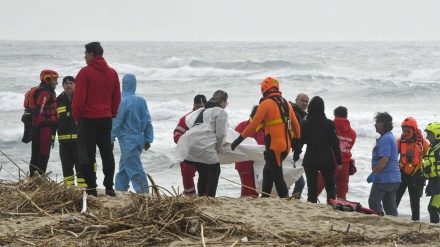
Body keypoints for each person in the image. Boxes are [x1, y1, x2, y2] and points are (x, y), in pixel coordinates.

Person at [231, 77, 301, 198]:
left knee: (277, 176)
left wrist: (238, 140)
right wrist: (297, 144)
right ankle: (265, 198)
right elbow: (296, 126)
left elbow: (253, 125)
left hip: (275, 146)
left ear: (264, 89)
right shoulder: (286, 104)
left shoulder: (265, 104)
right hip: (286, 146)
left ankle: (285, 200)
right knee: (267, 172)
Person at [72, 42, 121, 197]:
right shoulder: (112, 73)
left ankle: (91, 187)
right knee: (107, 152)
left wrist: (76, 117)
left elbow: (79, 100)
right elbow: (116, 97)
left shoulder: (85, 72)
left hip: (88, 118)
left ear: (92, 54)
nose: (84, 56)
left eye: (85, 53)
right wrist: (112, 113)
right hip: (106, 118)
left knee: (87, 154)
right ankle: (109, 187)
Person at [111, 74, 153, 194]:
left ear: (123, 84)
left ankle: (144, 193)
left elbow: (117, 122)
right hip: (139, 138)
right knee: (125, 166)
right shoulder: (141, 100)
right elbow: (148, 120)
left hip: (127, 139)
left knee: (134, 168)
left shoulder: (122, 101)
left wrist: (110, 139)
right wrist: (148, 138)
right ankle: (120, 189)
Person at [295, 96, 342, 203]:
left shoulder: (305, 123)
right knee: (330, 186)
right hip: (326, 158)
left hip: (310, 157)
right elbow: (335, 144)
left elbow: (300, 143)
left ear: (310, 108)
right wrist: (339, 161)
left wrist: (296, 156)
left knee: (312, 188)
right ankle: (331, 205)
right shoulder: (329, 124)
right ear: (322, 108)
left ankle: (311, 204)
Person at [184, 90, 229, 197]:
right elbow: (221, 134)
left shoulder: (202, 111)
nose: (225, 106)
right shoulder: (220, 112)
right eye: (226, 103)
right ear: (222, 101)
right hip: (205, 145)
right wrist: (217, 148)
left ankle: (201, 196)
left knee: (203, 172)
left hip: (192, 144)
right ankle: (210, 197)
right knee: (215, 170)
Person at [317, 106, 356, 200]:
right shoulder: (353, 133)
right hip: (345, 166)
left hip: (329, 163)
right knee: (341, 197)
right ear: (346, 116)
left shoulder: (329, 127)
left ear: (335, 115)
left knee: (315, 190)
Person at [367, 112, 401, 216]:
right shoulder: (389, 137)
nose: (375, 124)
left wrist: (374, 174)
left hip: (384, 179)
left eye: (378, 122)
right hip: (394, 179)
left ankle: (379, 220)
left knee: (373, 201)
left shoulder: (386, 139)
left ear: (385, 124)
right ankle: (394, 223)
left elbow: (384, 159)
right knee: (390, 206)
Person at [395, 117, 429, 221]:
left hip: (416, 176)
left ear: (414, 130)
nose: (405, 133)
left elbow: (430, 160)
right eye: (403, 131)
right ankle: (390, 217)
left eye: (407, 131)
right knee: (395, 198)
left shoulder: (423, 143)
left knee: (415, 202)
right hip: (401, 174)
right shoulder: (400, 142)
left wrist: (425, 177)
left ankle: (415, 221)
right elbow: (392, 158)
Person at [173, 94, 207, 196]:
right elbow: (176, 133)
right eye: (198, 107)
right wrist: (184, 141)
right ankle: (190, 195)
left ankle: (206, 195)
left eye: (202, 107)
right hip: (189, 152)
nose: (200, 109)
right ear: (194, 106)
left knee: (207, 174)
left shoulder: (210, 117)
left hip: (205, 151)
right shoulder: (186, 118)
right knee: (187, 171)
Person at [56, 76, 86, 188]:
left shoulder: (80, 98)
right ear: (63, 86)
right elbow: (54, 121)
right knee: (66, 167)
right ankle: (69, 189)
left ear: (75, 85)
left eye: (71, 83)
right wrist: (52, 137)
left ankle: (83, 189)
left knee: (81, 167)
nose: (68, 85)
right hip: (64, 141)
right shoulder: (58, 100)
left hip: (79, 140)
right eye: (66, 83)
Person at [29, 70, 59, 177]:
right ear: (48, 79)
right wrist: (36, 128)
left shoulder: (41, 91)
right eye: (55, 80)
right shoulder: (45, 93)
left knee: (35, 155)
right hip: (43, 129)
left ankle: (32, 180)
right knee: (43, 155)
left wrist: (33, 129)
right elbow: (38, 111)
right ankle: (39, 180)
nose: (56, 83)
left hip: (39, 128)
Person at [234, 105, 265, 197]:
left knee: (256, 189)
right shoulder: (242, 126)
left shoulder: (265, 128)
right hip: (244, 163)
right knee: (247, 188)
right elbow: (234, 143)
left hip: (259, 163)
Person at [289, 93, 309, 199]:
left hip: (293, 151)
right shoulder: (294, 113)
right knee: (299, 181)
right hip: (289, 151)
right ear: (296, 100)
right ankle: (292, 200)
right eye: (302, 101)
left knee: (292, 178)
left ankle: (289, 199)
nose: (305, 103)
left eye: (307, 102)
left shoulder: (301, 114)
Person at [422, 122, 440, 223]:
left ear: (437, 134)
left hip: (438, 183)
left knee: (432, 208)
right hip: (434, 182)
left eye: (429, 134)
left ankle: (435, 230)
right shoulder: (432, 148)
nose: (427, 137)